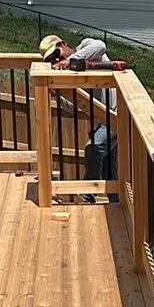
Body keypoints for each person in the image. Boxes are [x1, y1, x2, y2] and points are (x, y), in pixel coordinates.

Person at [39, 35, 118, 202]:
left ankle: (87, 194)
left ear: (64, 44)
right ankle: (116, 202)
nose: (58, 59)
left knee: (93, 149)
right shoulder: (74, 75)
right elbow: (75, 107)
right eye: (53, 59)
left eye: (57, 54)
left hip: (118, 114)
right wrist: (58, 94)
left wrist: (71, 60)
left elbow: (101, 45)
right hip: (103, 120)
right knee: (109, 168)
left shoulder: (86, 46)